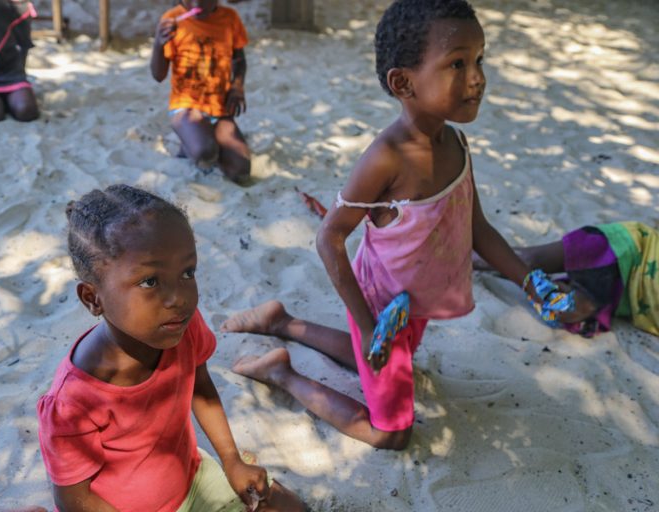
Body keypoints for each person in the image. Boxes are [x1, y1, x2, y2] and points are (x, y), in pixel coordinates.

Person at [221, 0, 555, 451]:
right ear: (403, 82)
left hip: (415, 299)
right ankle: (280, 372)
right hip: (379, 305)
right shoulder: (387, 158)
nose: (477, 77)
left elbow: (478, 228)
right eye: (457, 63)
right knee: (392, 433)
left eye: (479, 59)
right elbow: (330, 237)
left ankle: (283, 323)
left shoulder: (456, 142)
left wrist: (530, 282)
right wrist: (368, 325)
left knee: (398, 357)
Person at [36, 185, 304, 512]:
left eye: (187, 273)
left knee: (290, 507)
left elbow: (201, 388)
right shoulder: (73, 403)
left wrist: (232, 461)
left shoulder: (182, 329)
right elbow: (74, 500)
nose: (178, 298)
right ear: (93, 298)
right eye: (150, 281)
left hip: (193, 480)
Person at [474, 222, 659, 337]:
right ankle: (458, 255)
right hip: (632, 249)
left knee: (570, 309)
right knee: (530, 260)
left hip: (625, 297)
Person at [150, 0, 251, 183]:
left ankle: (199, 136)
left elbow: (239, 59)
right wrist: (158, 43)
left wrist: (237, 87)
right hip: (186, 107)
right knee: (205, 153)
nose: (196, 3)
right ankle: (189, 138)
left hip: (220, 109)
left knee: (240, 170)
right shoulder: (172, 20)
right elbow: (158, 75)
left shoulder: (229, 18)